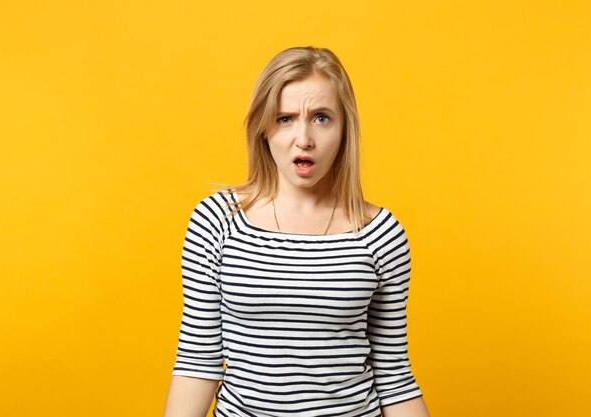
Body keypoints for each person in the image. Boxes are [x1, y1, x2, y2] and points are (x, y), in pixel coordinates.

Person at [162, 46, 430, 417]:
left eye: (321, 118)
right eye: (285, 119)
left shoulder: (380, 234)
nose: (303, 139)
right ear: (263, 127)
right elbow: (197, 360)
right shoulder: (217, 221)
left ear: (345, 128)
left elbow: (394, 374)